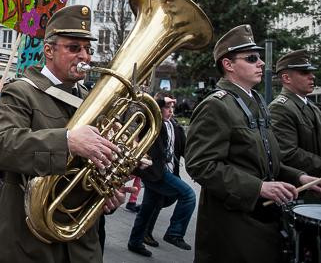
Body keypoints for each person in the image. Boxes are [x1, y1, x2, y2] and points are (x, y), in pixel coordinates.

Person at [0, 5, 132, 263]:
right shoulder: (22, 91)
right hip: (30, 241)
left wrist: (107, 189)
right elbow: (1, 145)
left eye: (88, 49)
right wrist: (67, 141)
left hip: (81, 243)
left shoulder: (91, 100)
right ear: (49, 50)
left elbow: (91, 167)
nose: (85, 57)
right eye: (74, 48)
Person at [185, 25, 321, 263]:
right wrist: (258, 187)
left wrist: (299, 177)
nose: (261, 63)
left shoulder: (255, 101)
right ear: (228, 65)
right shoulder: (216, 105)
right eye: (251, 58)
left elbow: (269, 160)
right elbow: (201, 165)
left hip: (260, 217)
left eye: (259, 57)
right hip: (232, 226)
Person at [127, 95, 195, 257]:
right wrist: (159, 102)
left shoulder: (176, 127)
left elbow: (186, 151)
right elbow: (146, 109)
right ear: (158, 109)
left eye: (172, 108)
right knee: (189, 195)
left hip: (168, 172)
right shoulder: (152, 124)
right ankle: (175, 233)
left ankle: (135, 241)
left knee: (148, 208)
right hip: (154, 171)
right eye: (166, 107)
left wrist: (197, 170)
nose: (170, 111)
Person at [269, 50, 321, 181]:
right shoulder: (280, 108)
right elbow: (288, 153)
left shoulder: (311, 105)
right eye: (304, 73)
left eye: (311, 72)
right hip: (300, 188)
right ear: (286, 78)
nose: (312, 76)